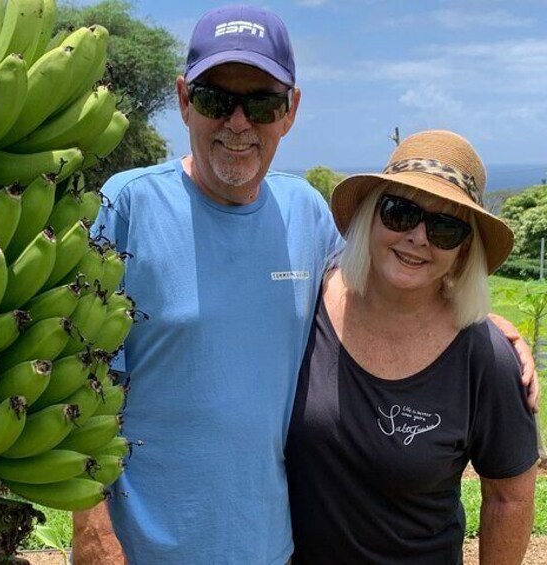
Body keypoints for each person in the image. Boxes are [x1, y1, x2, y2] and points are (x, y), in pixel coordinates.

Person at [72, 6, 539, 564]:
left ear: (290, 111)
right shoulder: (127, 206)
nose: (239, 123)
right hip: (141, 550)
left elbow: (392, 283)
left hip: (270, 549)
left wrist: (484, 327)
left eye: (263, 102)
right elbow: (80, 381)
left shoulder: (306, 214)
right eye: (217, 98)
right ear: (183, 100)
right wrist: (93, 534)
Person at [285, 130, 539, 564]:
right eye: (401, 212)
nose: (419, 237)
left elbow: (508, 499)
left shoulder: (484, 355)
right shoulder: (304, 304)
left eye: (445, 227)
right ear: (371, 216)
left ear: (463, 250)